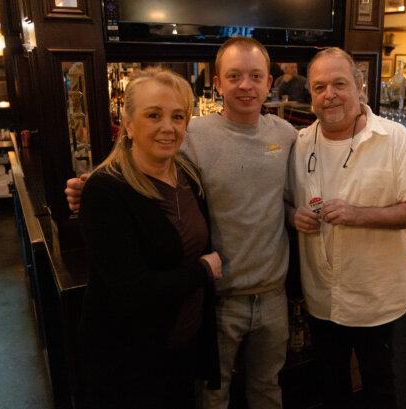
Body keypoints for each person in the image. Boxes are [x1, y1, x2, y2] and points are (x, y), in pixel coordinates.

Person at [66, 37, 297, 409]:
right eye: (234, 75)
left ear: (269, 83)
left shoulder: (285, 135)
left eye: (256, 76)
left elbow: (292, 191)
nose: (245, 85)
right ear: (218, 83)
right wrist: (91, 182)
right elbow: (139, 156)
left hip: (272, 294)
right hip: (217, 299)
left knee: (268, 389)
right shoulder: (194, 136)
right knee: (211, 396)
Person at [287, 48, 406, 409]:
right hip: (322, 294)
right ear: (310, 95)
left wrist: (358, 215)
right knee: (331, 383)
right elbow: (288, 200)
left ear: (360, 87)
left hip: (375, 297)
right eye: (319, 86)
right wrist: (294, 214)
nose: (329, 94)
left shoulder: (394, 140)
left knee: (378, 386)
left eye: (339, 84)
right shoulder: (301, 142)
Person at [77, 67, 222, 409]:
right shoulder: (105, 190)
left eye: (178, 116)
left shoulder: (186, 176)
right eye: (153, 115)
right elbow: (132, 290)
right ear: (127, 123)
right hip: (130, 358)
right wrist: (204, 271)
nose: (168, 127)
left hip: (183, 347)